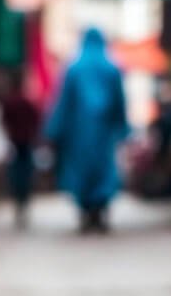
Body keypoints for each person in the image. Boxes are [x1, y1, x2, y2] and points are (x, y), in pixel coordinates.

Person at [45, 27, 130, 233]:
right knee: (103, 167)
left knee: (81, 169)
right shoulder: (112, 68)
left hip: (78, 132)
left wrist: (54, 129)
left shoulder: (73, 68)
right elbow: (120, 102)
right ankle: (100, 209)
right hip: (104, 132)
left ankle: (86, 211)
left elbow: (63, 102)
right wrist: (122, 127)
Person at [0, 78, 41, 228]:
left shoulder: (9, 103)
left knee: (16, 173)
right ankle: (23, 200)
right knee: (26, 173)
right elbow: (36, 120)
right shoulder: (27, 102)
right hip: (25, 143)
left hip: (15, 143)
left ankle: (19, 201)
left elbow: (4, 122)